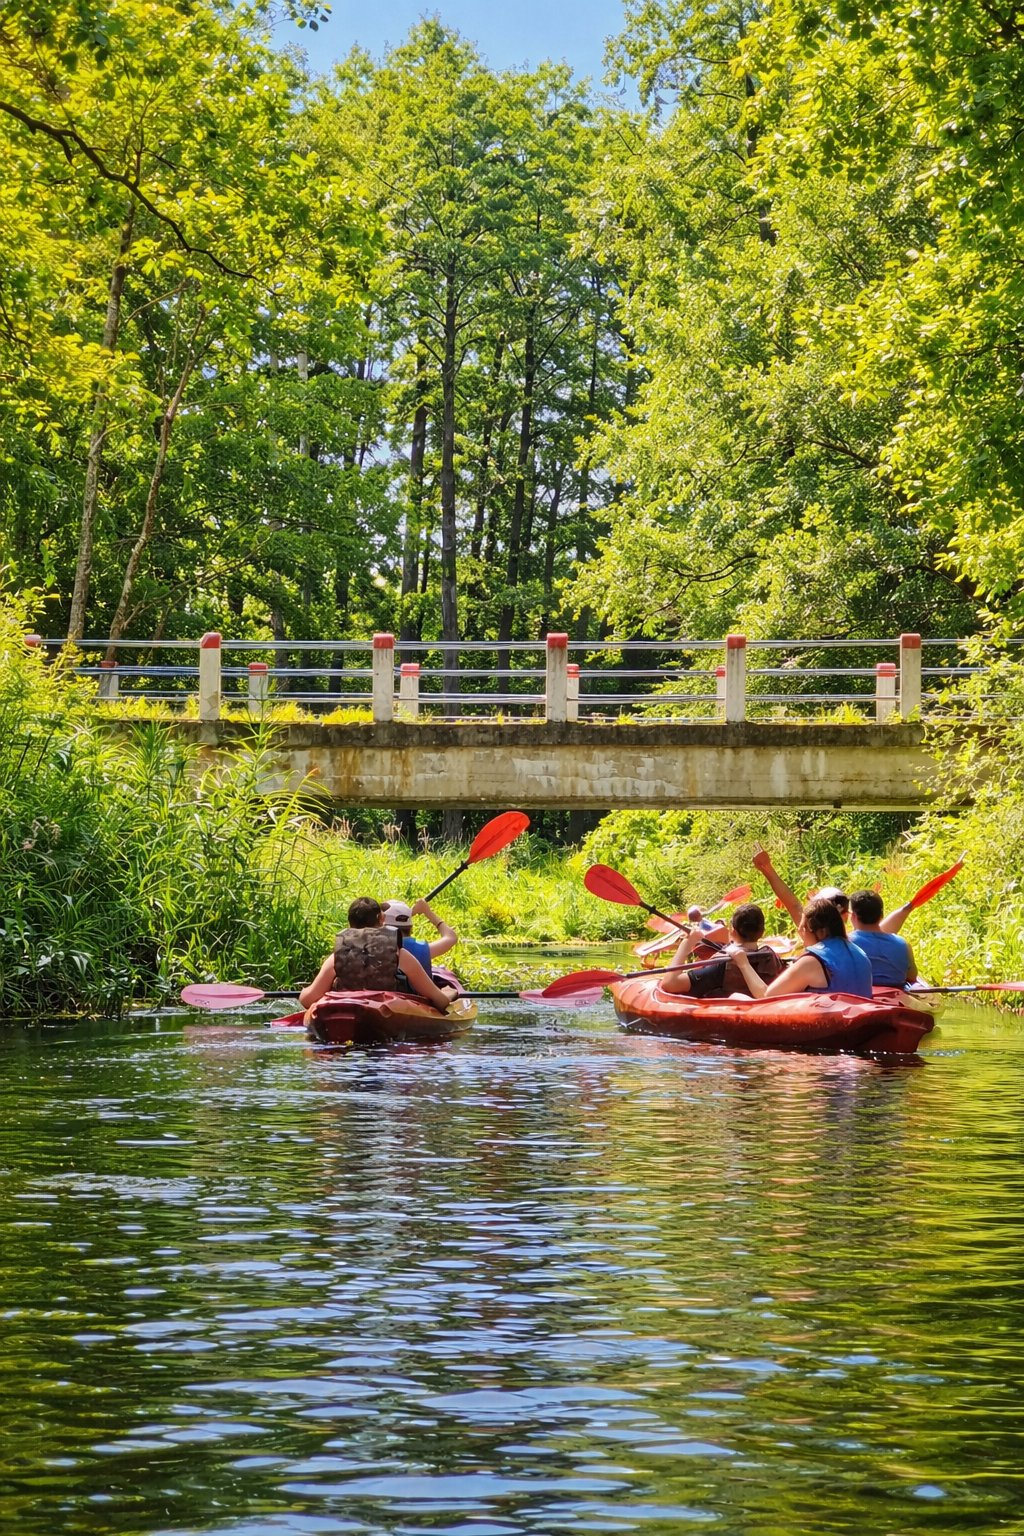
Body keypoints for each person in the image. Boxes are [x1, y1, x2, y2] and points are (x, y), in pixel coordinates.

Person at [299, 896, 457, 1019]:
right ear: (382, 919)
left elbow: (307, 1000)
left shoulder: (337, 956)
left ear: (349, 923)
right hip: (389, 1016)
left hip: (346, 1012)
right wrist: (448, 995)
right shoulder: (399, 955)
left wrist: (304, 990)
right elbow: (439, 1000)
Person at [728, 895, 873, 999]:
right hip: (858, 1025)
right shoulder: (858, 951)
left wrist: (743, 963)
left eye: (803, 927)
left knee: (736, 997)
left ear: (821, 932)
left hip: (832, 1028)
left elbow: (765, 996)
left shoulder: (812, 961)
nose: (799, 931)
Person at [662, 903, 786, 997]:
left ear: (732, 930)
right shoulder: (770, 955)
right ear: (762, 931)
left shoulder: (720, 965)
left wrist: (686, 945)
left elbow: (670, 984)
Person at [752, 845, 850, 927]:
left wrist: (767, 867)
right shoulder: (856, 940)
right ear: (847, 916)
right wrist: (767, 867)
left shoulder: (812, 936)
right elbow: (794, 906)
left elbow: (794, 906)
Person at [848, 889, 917, 986]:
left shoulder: (845, 943)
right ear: (882, 915)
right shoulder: (903, 944)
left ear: (853, 916)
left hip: (858, 997)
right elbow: (912, 976)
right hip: (895, 998)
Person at [381, 897, 458, 979]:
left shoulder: (371, 947)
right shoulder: (420, 949)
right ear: (411, 929)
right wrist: (427, 912)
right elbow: (451, 937)